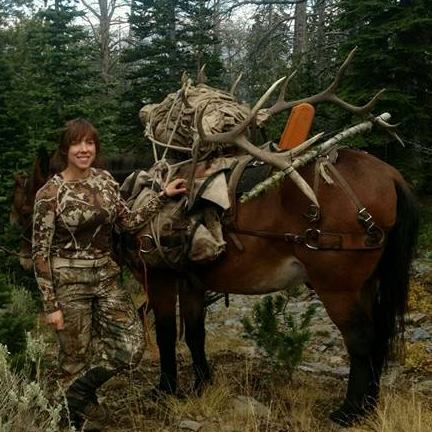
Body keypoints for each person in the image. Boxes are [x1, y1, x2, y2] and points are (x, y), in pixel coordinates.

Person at [32, 118, 186, 429]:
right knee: (74, 357)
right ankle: (71, 416)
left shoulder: (104, 181)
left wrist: (163, 195)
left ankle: (74, 394)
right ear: (66, 149)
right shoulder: (50, 193)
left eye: (89, 143)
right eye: (77, 143)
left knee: (130, 347)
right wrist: (51, 305)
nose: (84, 149)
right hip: (69, 284)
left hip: (105, 278)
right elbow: (40, 252)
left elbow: (127, 221)